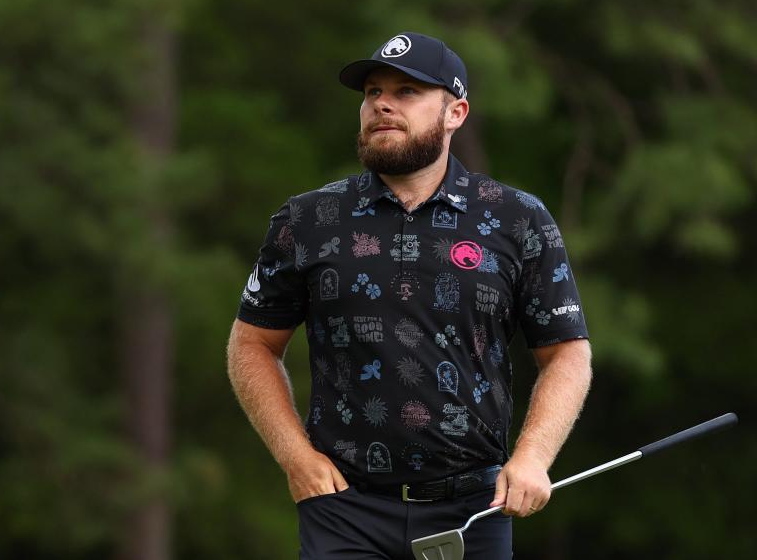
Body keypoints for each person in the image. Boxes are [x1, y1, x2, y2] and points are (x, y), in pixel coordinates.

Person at [226, 32, 592, 559]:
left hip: (473, 509)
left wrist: (533, 457)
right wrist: (293, 456)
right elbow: (251, 345)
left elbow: (567, 353)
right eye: (373, 91)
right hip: (343, 509)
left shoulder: (517, 219)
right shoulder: (306, 220)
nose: (382, 104)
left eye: (407, 91)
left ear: (455, 112)